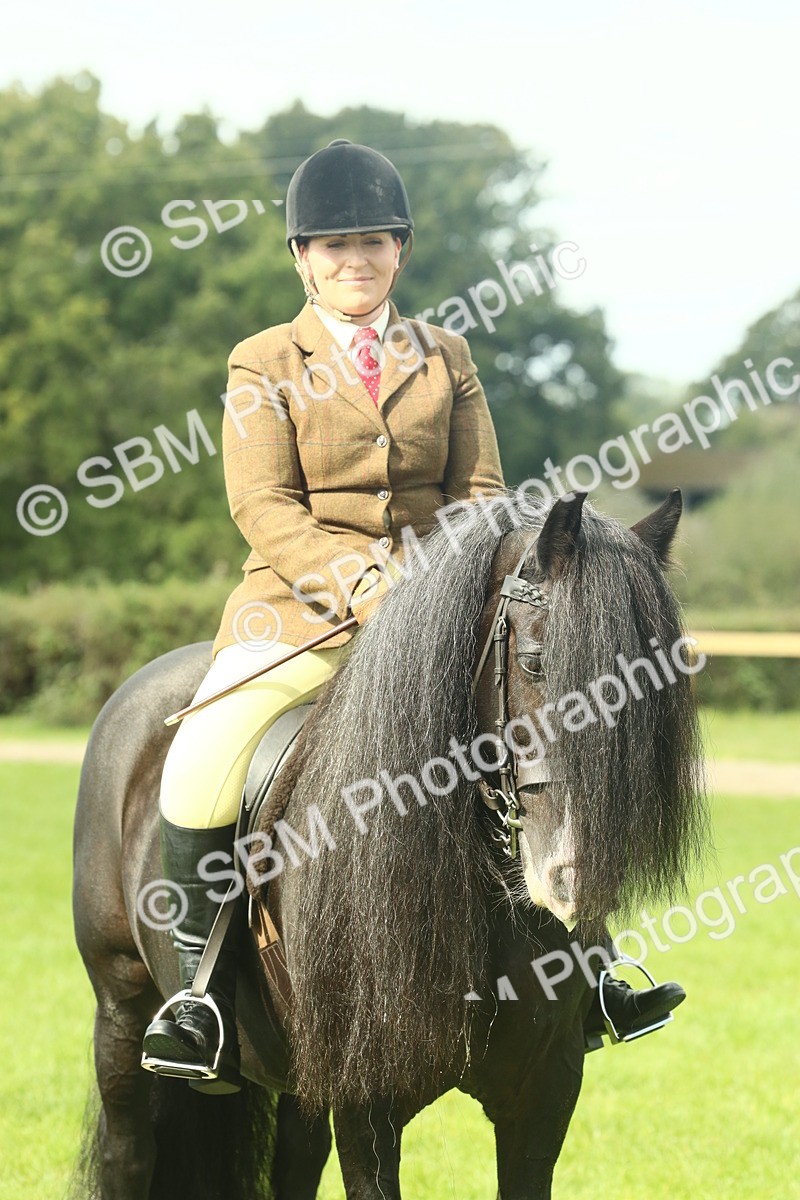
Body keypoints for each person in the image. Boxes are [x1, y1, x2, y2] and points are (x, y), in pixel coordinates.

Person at [141, 139, 684, 1094]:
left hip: (438, 628)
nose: (356, 261)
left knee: (547, 739)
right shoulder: (262, 360)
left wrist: (435, 591)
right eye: (335, 245)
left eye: (375, 243)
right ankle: (202, 1002)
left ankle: (593, 973)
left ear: (402, 250)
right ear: (302, 258)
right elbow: (263, 505)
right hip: (298, 620)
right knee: (196, 772)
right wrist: (359, 583)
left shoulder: (447, 356)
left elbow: (480, 492)